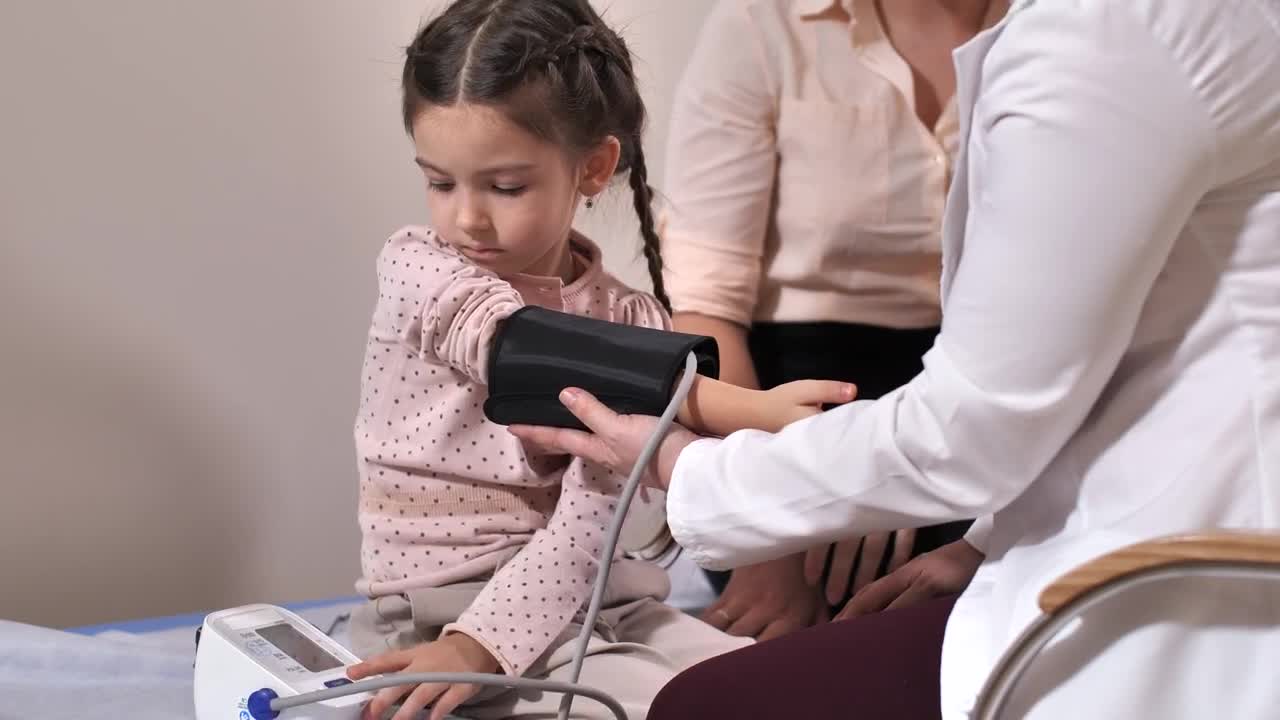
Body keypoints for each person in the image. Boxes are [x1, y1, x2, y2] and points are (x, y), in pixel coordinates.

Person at [512, 0, 1280, 717]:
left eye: (507, 184)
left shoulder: (1105, 42)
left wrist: (691, 469)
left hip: (1132, 526)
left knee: (701, 704)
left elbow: (979, 422)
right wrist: (971, 538)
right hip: (849, 407)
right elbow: (1041, 379)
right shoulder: (1131, 33)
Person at [340, 2, 854, 719]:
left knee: (785, 693)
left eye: (505, 187)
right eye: (440, 182)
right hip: (442, 615)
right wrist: (750, 409)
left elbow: (590, 525)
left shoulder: (634, 320)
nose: (466, 218)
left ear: (594, 167)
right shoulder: (417, 270)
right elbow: (527, 352)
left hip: (596, 598)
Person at [658, 0, 1005, 634]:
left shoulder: (1072, 26)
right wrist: (767, 522)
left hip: (978, 400)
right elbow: (707, 310)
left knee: (1001, 594)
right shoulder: (760, 26)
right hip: (788, 405)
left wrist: (900, 467)